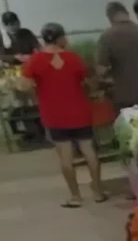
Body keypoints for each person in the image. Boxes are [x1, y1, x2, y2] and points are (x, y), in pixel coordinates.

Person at [19, 23, 105, 207]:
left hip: (54, 116)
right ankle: (98, 192)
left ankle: (75, 197)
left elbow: (23, 86)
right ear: (61, 38)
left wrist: (37, 87)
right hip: (79, 113)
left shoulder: (35, 61)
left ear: (43, 39)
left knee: (66, 158)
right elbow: (89, 83)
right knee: (89, 152)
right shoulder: (74, 58)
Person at [97, 1, 138, 111]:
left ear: (109, 16)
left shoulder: (106, 37)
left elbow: (101, 71)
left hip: (124, 98)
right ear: (127, 13)